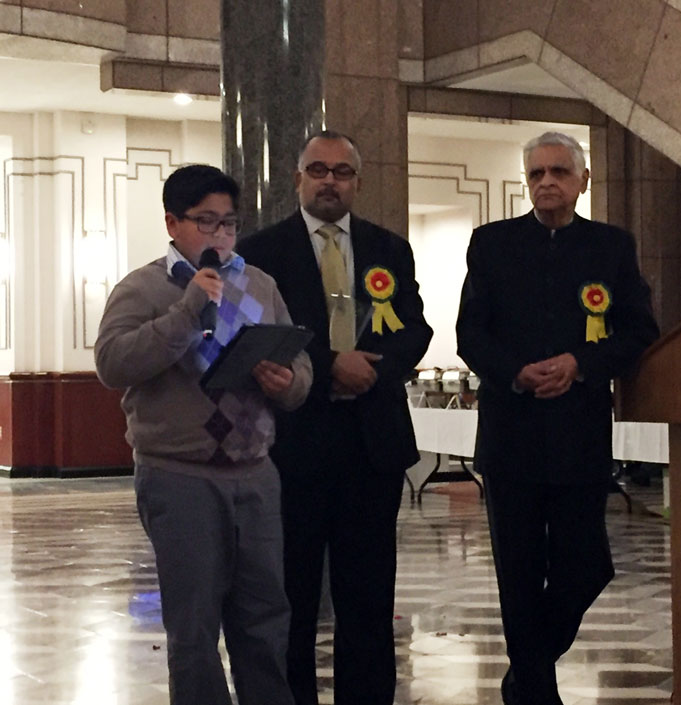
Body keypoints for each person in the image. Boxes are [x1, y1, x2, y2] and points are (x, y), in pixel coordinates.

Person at [95, 164, 312, 705]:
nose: (219, 236)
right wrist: (188, 310)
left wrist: (288, 382)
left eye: (228, 224)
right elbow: (112, 363)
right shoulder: (143, 287)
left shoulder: (258, 283)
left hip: (255, 474)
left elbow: (299, 363)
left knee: (265, 620)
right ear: (173, 222)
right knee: (193, 630)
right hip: (180, 475)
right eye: (205, 223)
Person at [456, 132, 660, 705]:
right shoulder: (491, 244)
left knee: (586, 566)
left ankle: (525, 676)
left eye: (559, 172)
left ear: (582, 181)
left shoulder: (611, 247)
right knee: (517, 577)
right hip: (511, 436)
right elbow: (470, 332)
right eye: (538, 173)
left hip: (579, 434)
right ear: (527, 182)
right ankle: (537, 695)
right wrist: (518, 372)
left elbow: (640, 331)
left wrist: (581, 362)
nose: (547, 181)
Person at [237, 130, 432, 705]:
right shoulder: (262, 251)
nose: (329, 181)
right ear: (297, 179)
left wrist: (374, 367)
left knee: (369, 598)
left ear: (357, 182)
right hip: (293, 446)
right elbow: (257, 340)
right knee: (290, 595)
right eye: (318, 170)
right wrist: (328, 367)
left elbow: (415, 328)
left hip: (372, 446)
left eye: (342, 172)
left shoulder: (389, 249)